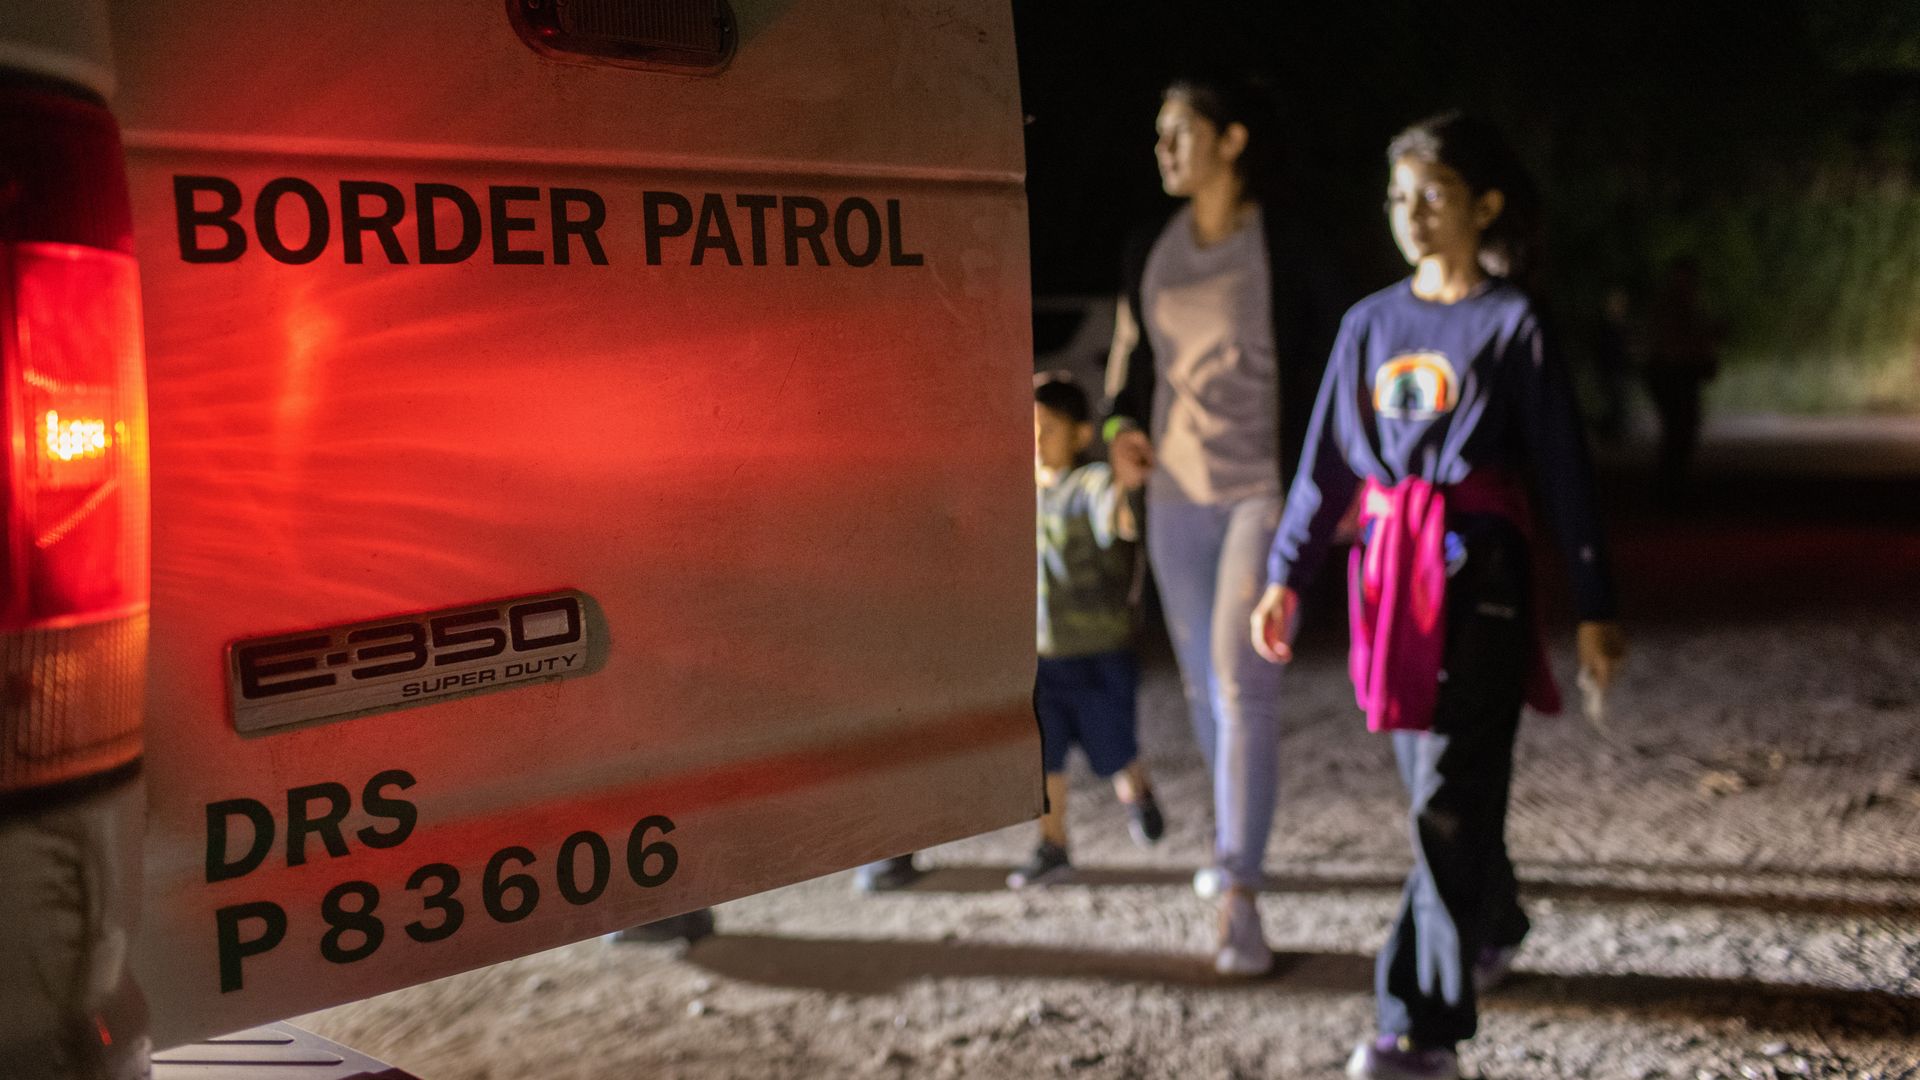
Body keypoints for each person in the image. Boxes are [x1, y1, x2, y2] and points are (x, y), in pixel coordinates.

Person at [1249, 112, 1627, 1080]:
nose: (1411, 215)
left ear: (1483, 206)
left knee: (1450, 798)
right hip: (1389, 586)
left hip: (1480, 583)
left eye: (1434, 196)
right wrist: (1285, 576)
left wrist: (1595, 603)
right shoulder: (1369, 325)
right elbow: (1326, 468)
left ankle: (1417, 1028)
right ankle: (1491, 916)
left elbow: (1564, 469)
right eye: (1397, 198)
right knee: (1439, 789)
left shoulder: (1512, 324)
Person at [1104, 74, 1339, 974]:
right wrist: (1123, 432)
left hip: (1261, 492)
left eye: (1180, 130)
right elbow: (1132, 374)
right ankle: (1234, 847)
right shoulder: (1148, 248)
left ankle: (1237, 888)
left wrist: (1340, 488)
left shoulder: (1289, 245)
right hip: (1174, 499)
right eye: (1158, 133)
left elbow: (1334, 367)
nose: (1163, 147)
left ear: (1232, 140)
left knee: (1243, 682)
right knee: (1204, 691)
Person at [1010, 374, 1165, 888]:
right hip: (1042, 659)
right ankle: (1052, 844)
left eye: (1049, 428)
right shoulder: (1013, 492)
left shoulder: (1090, 484)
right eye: (1028, 428)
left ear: (1079, 434)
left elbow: (1115, 511)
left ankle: (1137, 794)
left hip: (1100, 654)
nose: (1036, 439)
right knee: (1044, 757)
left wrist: (1127, 488)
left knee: (1114, 750)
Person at [1643, 257, 1721, 505]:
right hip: (1672, 376)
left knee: (1681, 431)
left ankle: (1672, 486)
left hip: (1678, 375)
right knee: (1678, 430)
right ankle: (1670, 489)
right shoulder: (1673, 306)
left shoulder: (1685, 305)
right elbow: (1672, 345)